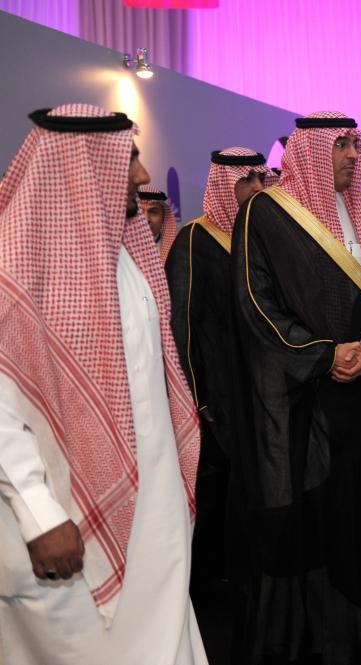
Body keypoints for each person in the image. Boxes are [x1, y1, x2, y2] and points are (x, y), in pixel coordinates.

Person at [0, 104, 205, 664]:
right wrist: (42, 515)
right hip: (68, 524)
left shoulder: (125, 254)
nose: (141, 176)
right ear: (80, 164)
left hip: (152, 510)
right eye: (131, 157)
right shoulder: (18, 267)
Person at [230, 111, 361, 664]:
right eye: (342, 144)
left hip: (359, 394)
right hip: (301, 405)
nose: (354, 154)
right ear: (311, 149)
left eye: (356, 143)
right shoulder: (265, 213)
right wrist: (324, 355)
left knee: (356, 524)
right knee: (310, 538)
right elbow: (258, 307)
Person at [164, 147, 267, 603]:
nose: (257, 189)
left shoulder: (260, 235)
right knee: (215, 490)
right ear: (228, 184)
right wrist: (196, 396)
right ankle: (210, 586)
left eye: (261, 179)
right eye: (247, 181)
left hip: (259, 387)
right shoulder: (193, 239)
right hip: (214, 394)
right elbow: (180, 326)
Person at [138, 183, 178, 261]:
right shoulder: (120, 249)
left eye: (153, 212)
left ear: (163, 217)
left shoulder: (175, 251)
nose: (146, 219)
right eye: (139, 212)